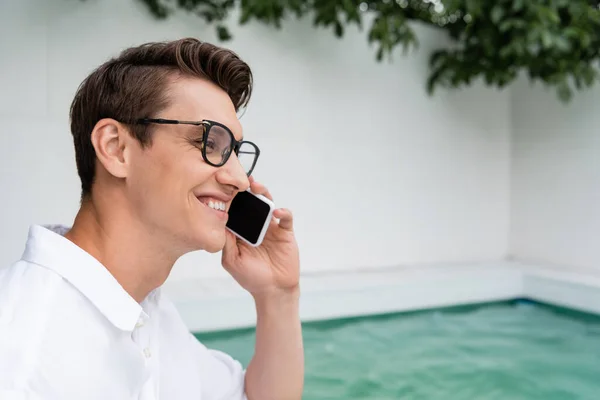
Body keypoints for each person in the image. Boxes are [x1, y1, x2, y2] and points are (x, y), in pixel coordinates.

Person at [0, 38, 304, 400]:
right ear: (116, 148)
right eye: (210, 143)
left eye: (234, 152)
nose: (239, 178)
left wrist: (278, 296)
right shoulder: (25, 363)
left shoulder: (145, 311)